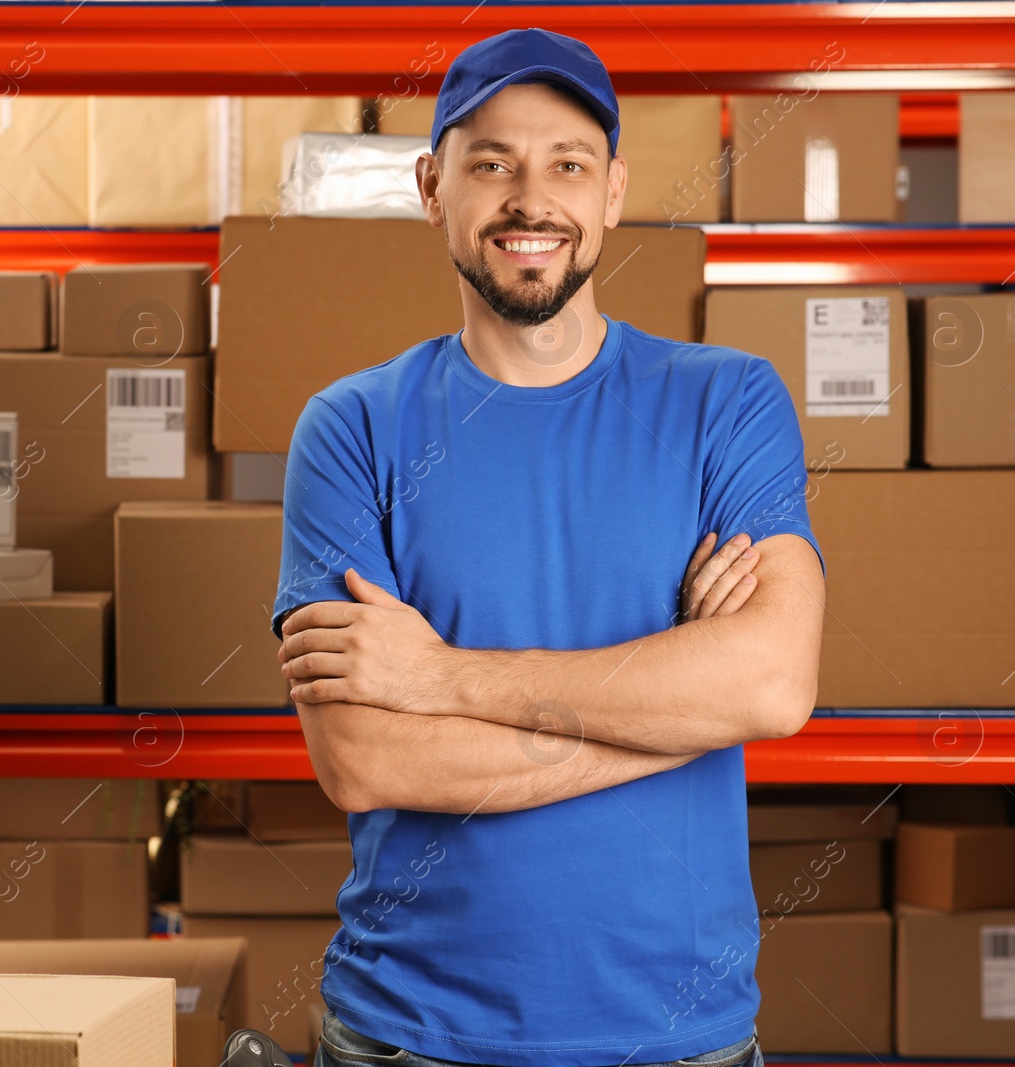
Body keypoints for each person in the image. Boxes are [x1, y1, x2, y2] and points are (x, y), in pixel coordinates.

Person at [271, 26, 827, 1067]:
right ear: (433, 186)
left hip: (676, 1039)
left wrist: (436, 674)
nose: (532, 200)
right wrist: (674, 711)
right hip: (409, 1036)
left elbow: (771, 684)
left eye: (566, 165)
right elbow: (362, 756)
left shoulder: (725, 401)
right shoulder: (349, 428)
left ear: (612, 190)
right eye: (492, 165)